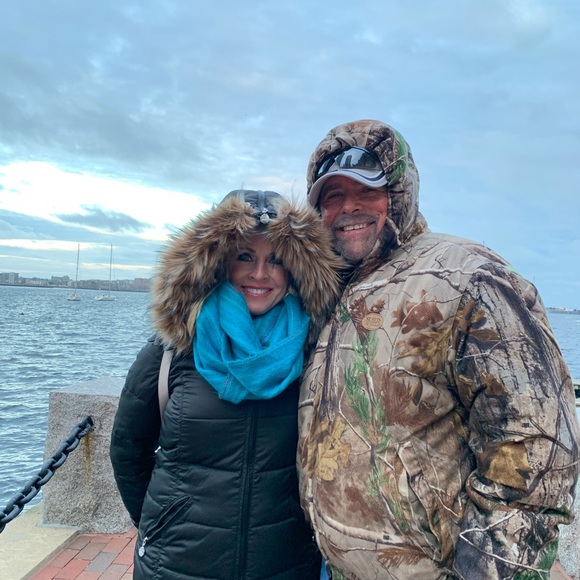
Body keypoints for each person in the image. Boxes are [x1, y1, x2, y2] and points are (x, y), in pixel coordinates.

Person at [297, 120, 580, 579]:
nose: (348, 207)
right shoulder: (330, 295)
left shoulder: (467, 276)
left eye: (366, 190)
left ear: (400, 193)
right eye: (333, 195)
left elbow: (534, 457)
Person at [110, 189, 343, 579]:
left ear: (295, 271)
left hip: (284, 564)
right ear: (219, 264)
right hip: (177, 564)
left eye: (276, 260)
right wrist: (160, 525)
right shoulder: (172, 350)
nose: (260, 274)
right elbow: (128, 449)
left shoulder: (313, 353)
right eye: (245, 257)